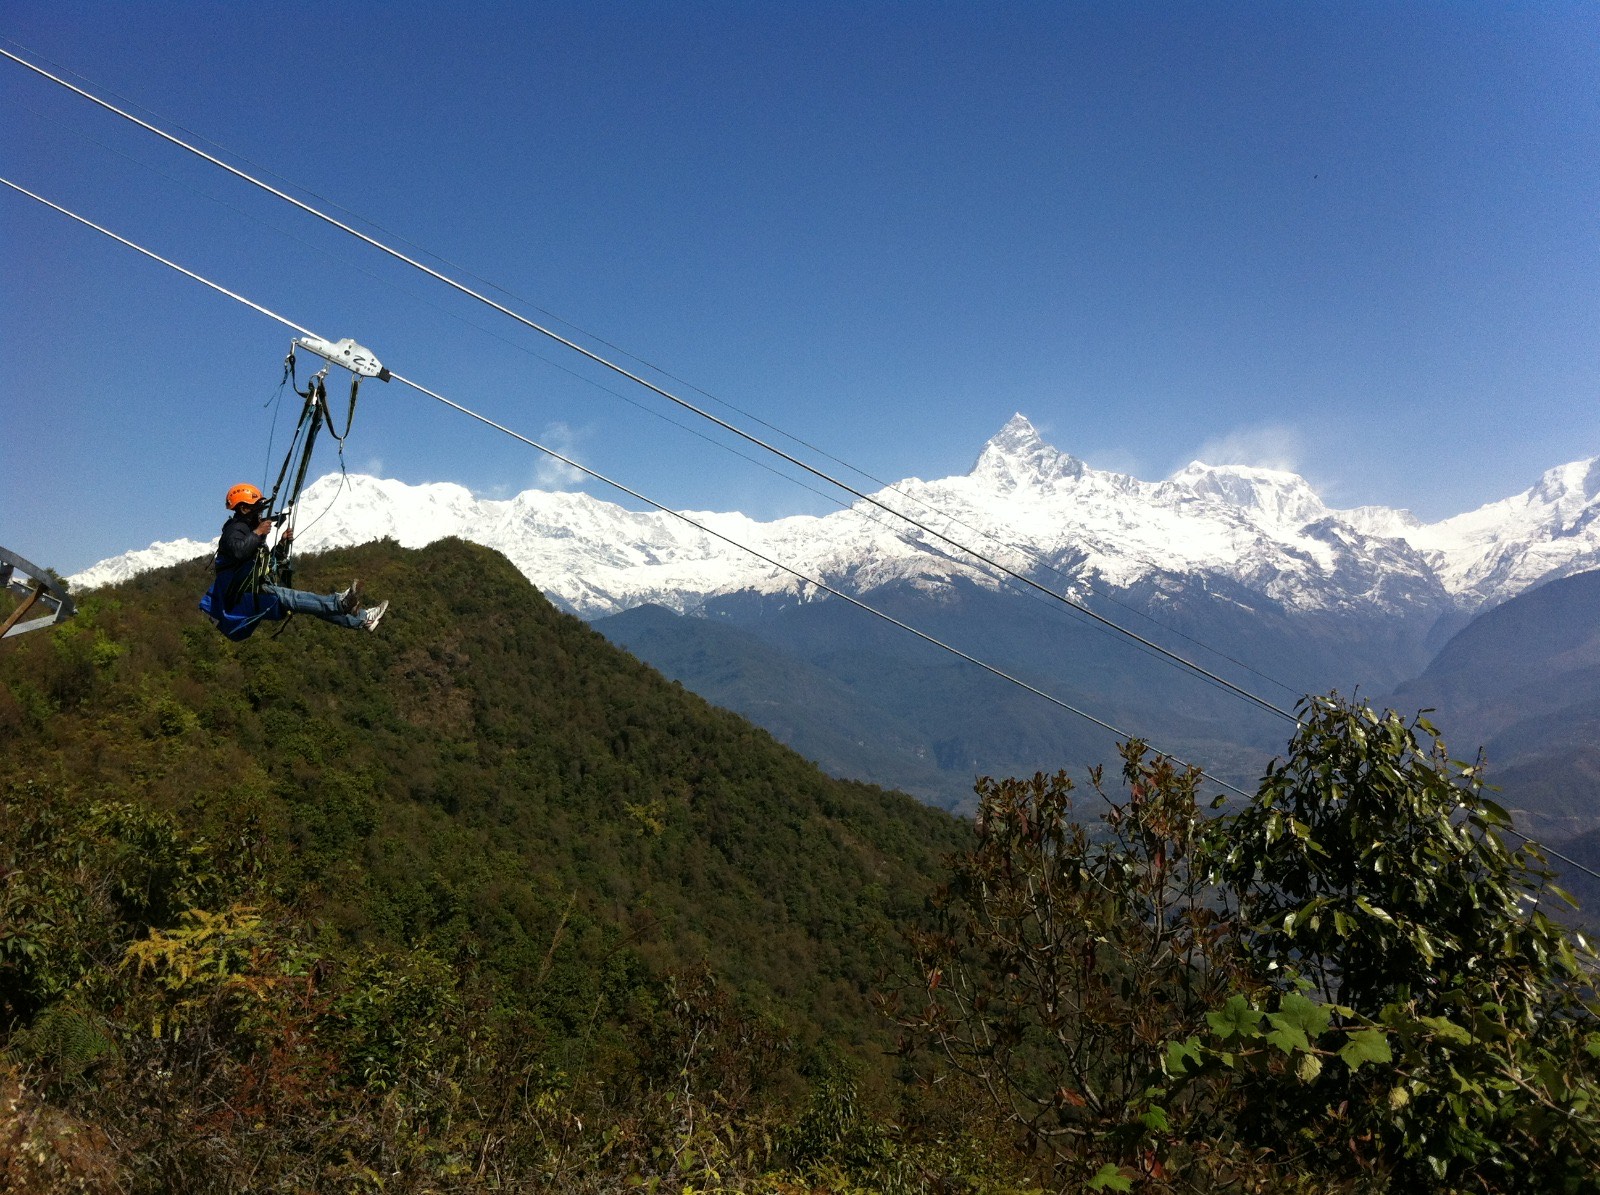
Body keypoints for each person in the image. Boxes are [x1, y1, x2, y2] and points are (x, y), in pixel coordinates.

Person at [199, 482, 388, 640]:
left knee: (309, 605)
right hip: (246, 595)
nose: (260, 514)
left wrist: (281, 544)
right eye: (257, 509)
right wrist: (258, 533)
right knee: (295, 598)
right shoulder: (235, 529)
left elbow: (264, 562)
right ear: (244, 508)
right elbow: (238, 551)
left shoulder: (246, 531)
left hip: (252, 592)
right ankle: (340, 603)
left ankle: (362, 619)